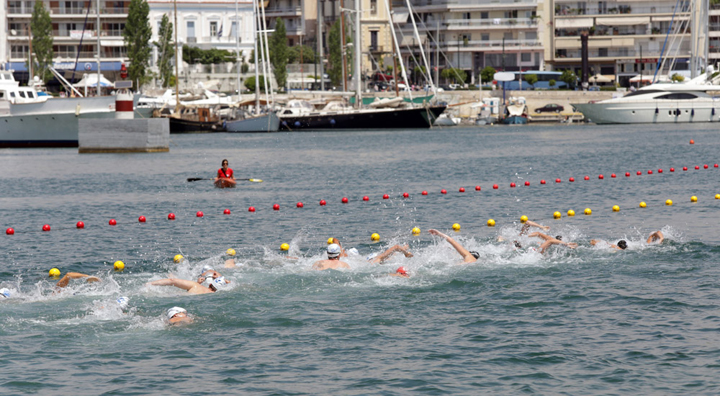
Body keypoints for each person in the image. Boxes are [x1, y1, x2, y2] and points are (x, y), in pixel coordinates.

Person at [147, 276, 228, 294]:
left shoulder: (195, 286)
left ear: (210, 284)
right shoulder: (214, 295)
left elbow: (172, 281)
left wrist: (151, 284)